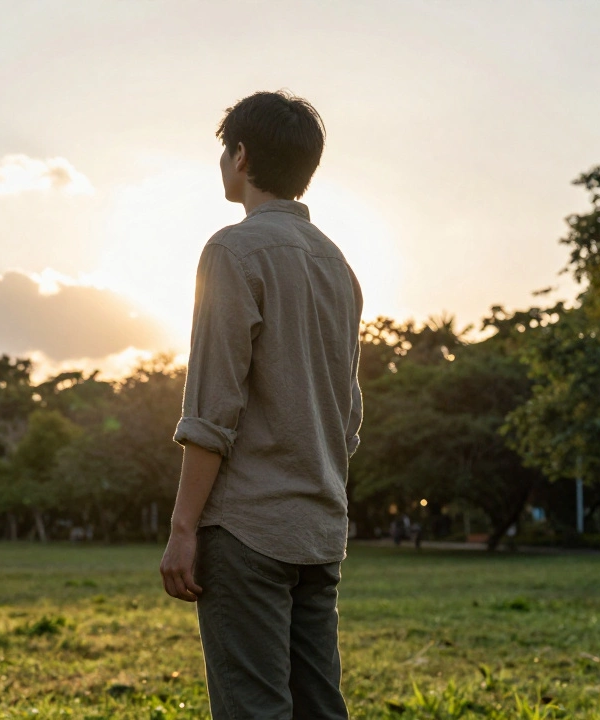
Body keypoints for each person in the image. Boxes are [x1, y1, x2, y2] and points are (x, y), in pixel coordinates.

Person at [160, 91, 362, 719]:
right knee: (318, 709)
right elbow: (348, 415)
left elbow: (213, 409)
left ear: (241, 155)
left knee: (254, 710)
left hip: (246, 530)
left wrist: (184, 528)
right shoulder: (339, 265)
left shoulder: (232, 251)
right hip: (319, 529)